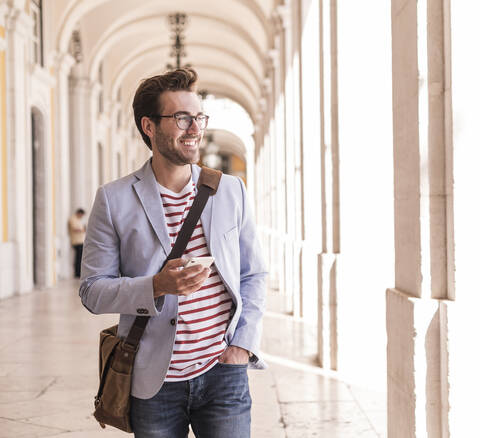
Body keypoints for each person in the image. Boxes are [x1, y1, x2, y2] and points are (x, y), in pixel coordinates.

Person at [79, 68, 267, 438]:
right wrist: (156, 285)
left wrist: (242, 346)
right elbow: (92, 291)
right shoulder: (114, 199)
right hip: (153, 384)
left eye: (198, 117)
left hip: (223, 374)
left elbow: (253, 274)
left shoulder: (230, 191)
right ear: (149, 126)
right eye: (181, 118)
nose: (194, 128)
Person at [68, 208, 86, 278]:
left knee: (80, 258)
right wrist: (83, 229)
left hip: (80, 241)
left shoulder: (78, 220)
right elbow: (75, 229)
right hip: (76, 241)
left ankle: (79, 272)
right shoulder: (73, 219)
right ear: (79, 213)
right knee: (78, 259)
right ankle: (77, 273)